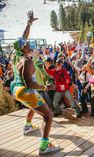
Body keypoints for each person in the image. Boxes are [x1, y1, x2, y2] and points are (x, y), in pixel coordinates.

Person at [12, 11, 60, 155]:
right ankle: (44, 146)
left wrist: (29, 23)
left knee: (35, 105)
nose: (28, 42)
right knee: (48, 116)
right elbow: (30, 85)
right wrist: (46, 86)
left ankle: (27, 126)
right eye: (26, 43)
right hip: (25, 90)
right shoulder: (27, 61)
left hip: (16, 90)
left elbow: (23, 37)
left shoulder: (16, 54)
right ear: (24, 48)